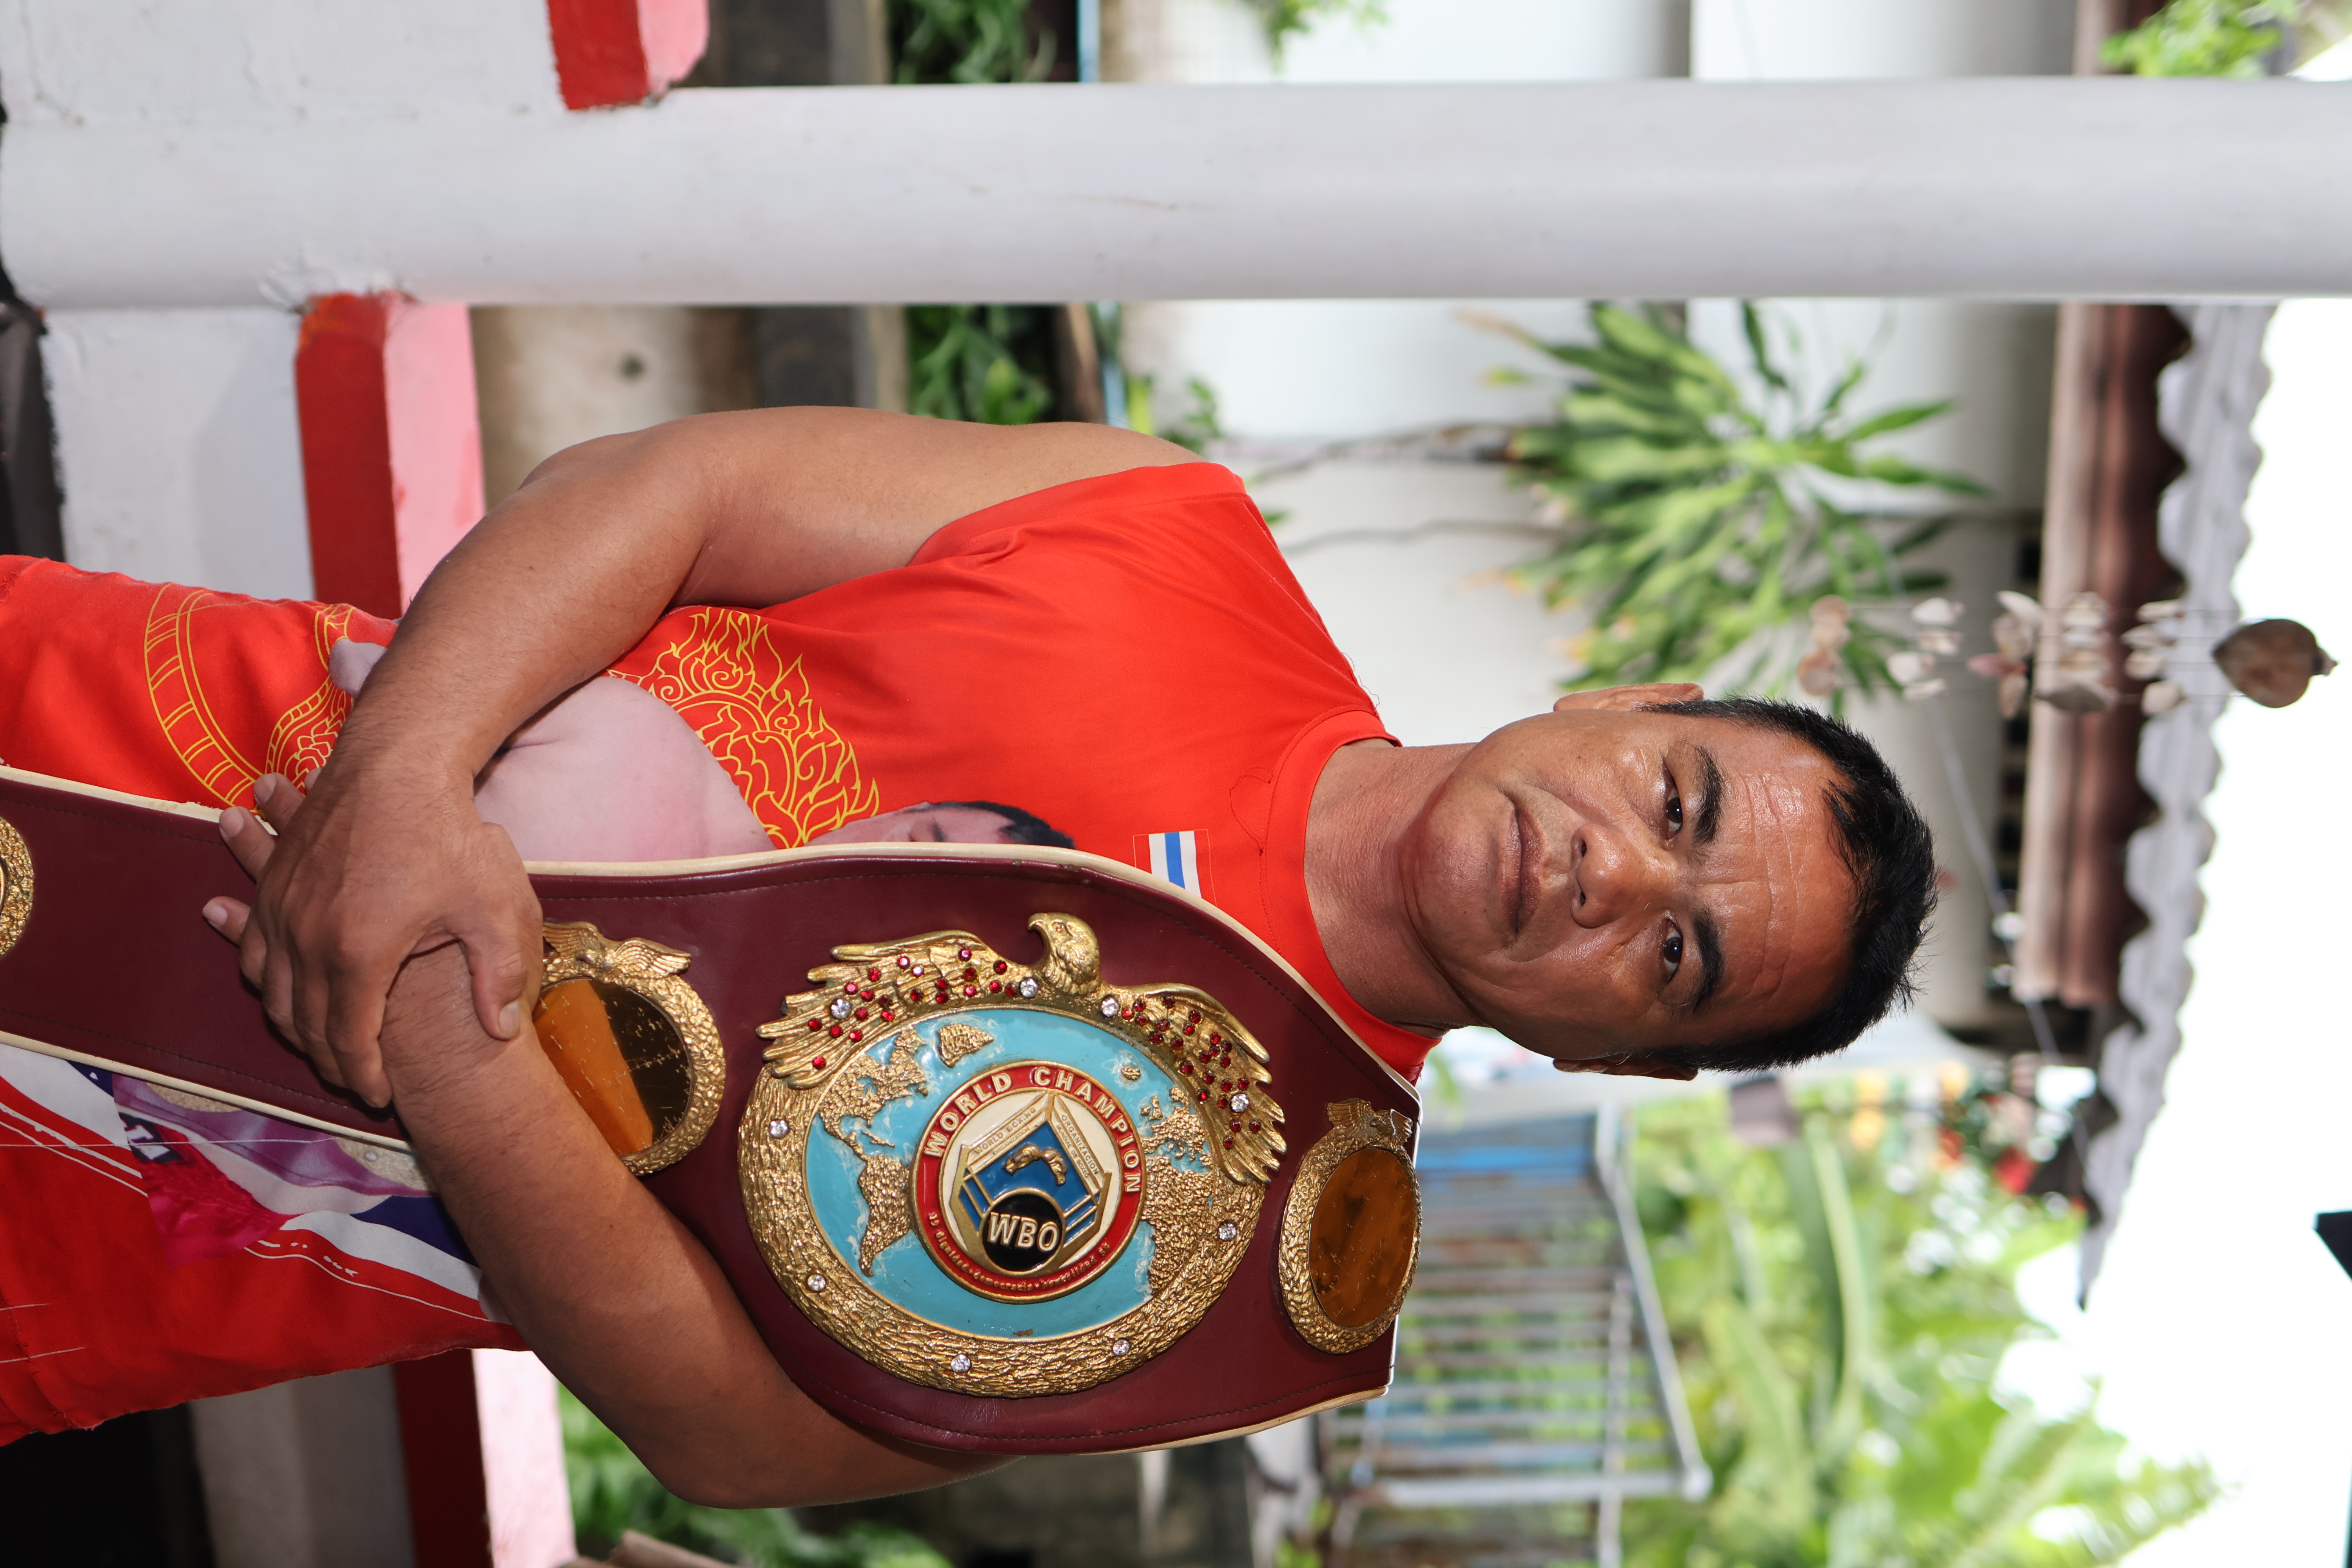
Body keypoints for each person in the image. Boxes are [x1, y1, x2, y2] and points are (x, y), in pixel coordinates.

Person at [0, 409, 1935, 1501]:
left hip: (106, 1215)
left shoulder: (1251, 1252)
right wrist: (411, 776)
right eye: (1677, 798)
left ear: (1608, 1064)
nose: (1611, 876)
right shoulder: (1175, 535)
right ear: (1631, 694)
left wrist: (460, 1049)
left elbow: (733, 1433)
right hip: (74, 719)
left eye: (1679, 962)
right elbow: (664, 489)